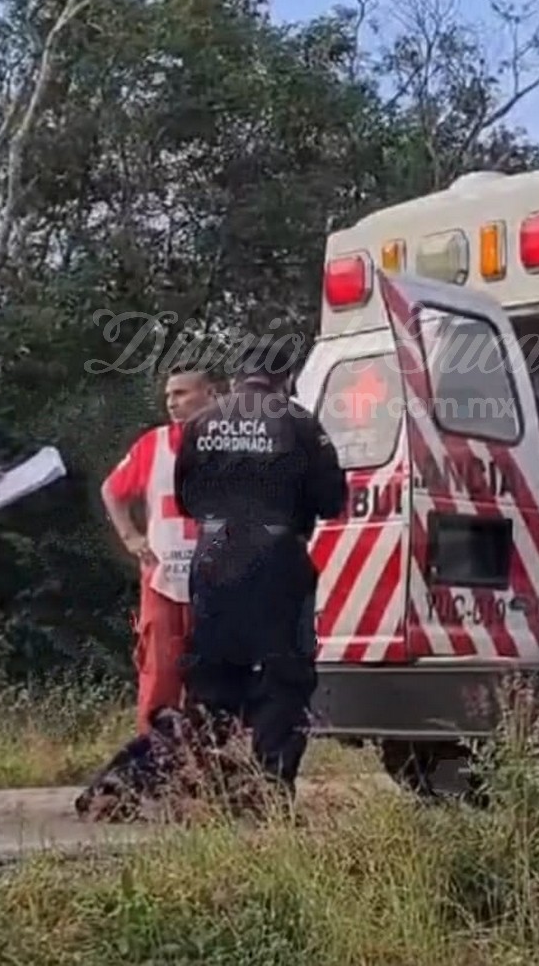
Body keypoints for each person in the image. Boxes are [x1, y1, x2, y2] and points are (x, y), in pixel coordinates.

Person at [172, 337, 347, 810]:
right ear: (285, 377)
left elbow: (185, 498)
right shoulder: (301, 423)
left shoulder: (200, 423)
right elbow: (333, 501)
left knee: (211, 672)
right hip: (277, 557)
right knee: (283, 673)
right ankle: (272, 789)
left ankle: (206, 788)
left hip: (213, 557)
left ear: (236, 376)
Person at [101, 369, 216, 735]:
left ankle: (213, 762)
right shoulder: (154, 444)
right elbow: (112, 491)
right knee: (160, 674)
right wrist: (130, 537)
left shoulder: (230, 442)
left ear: (209, 393)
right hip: (163, 580)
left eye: (182, 393)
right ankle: (154, 764)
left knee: (215, 677)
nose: (171, 401)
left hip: (216, 581)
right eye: (169, 394)